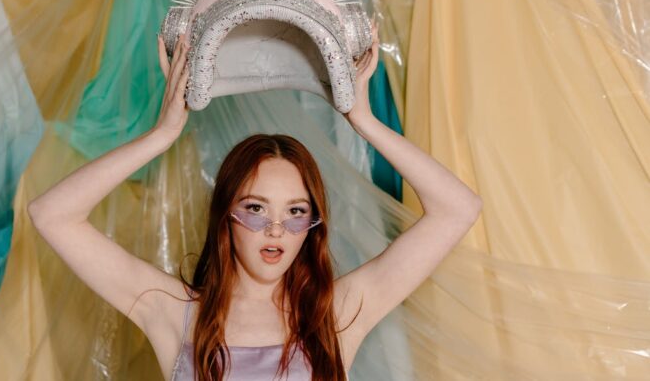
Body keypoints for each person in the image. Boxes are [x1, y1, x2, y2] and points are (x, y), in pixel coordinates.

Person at [27, 21, 482, 381]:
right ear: (225, 213)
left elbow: (457, 209)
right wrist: (161, 136)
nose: (276, 230)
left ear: (314, 223)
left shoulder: (338, 314)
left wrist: (364, 121)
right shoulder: (173, 312)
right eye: (256, 208)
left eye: (296, 211)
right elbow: (51, 215)